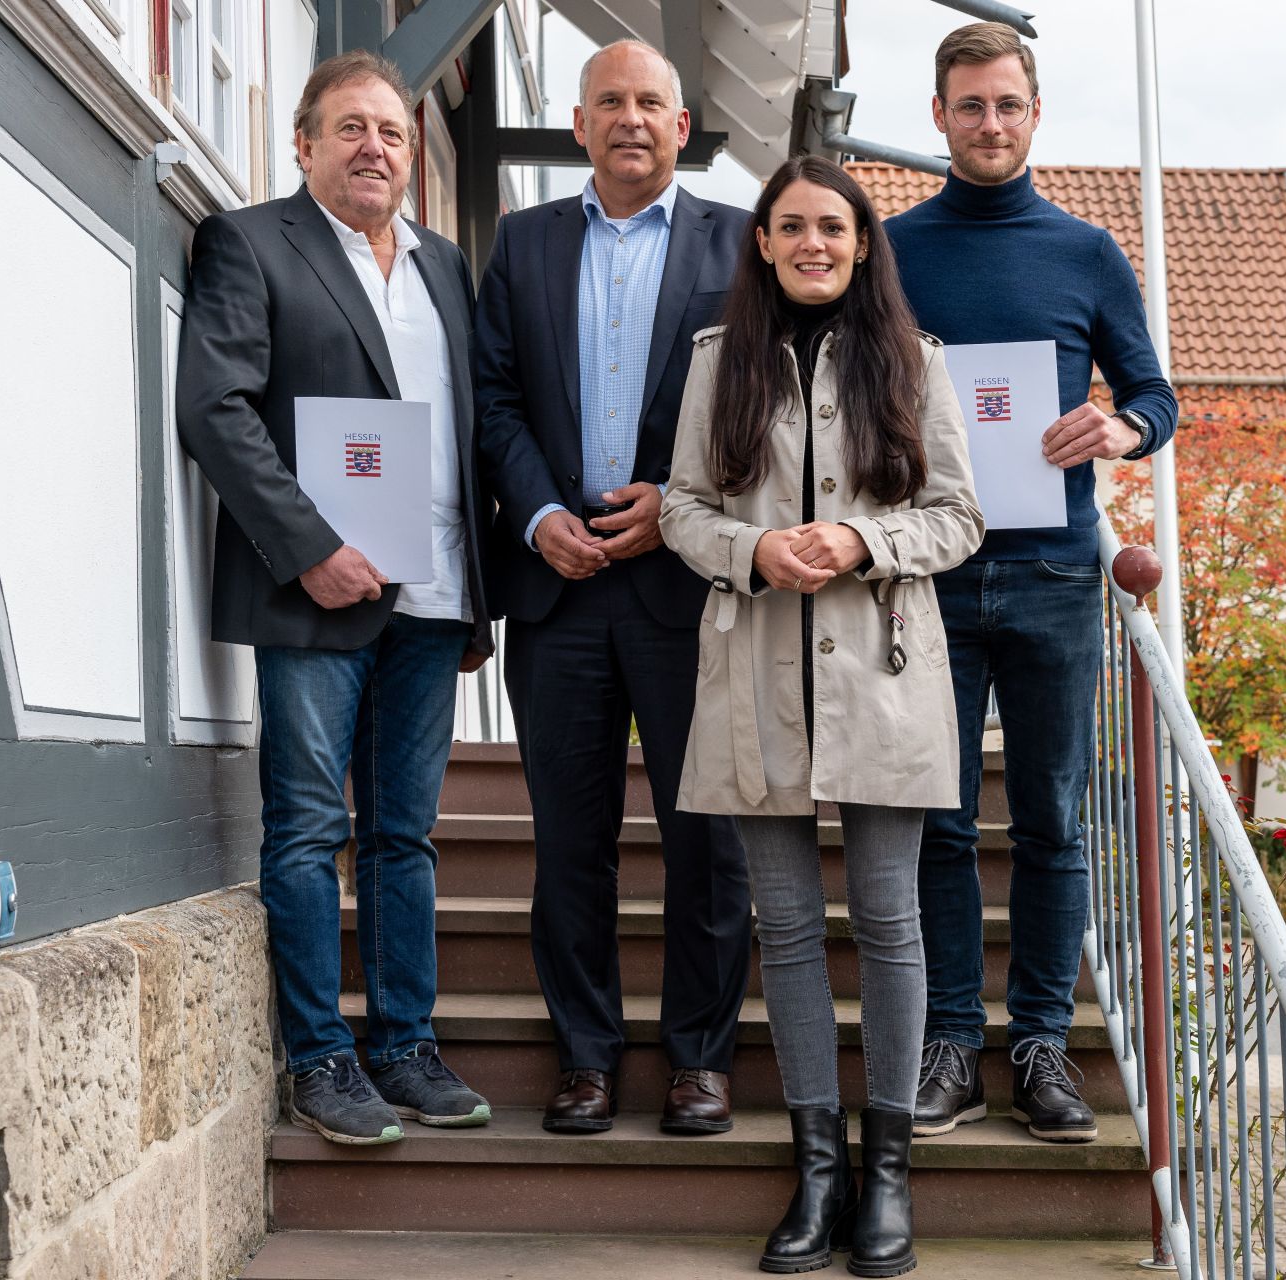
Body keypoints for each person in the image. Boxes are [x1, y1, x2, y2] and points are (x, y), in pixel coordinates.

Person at [662, 154, 984, 1278]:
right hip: (755, 664)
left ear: (860, 244)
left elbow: (959, 517)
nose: (813, 244)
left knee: (889, 922)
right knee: (788, 929)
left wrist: (861, 542)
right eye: (792, 226)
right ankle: (818, 1170)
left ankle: (889, 1173)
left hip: (886, 668)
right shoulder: (719, 361)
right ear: (762, 240)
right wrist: (752, 549)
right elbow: (681, 509)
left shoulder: (914, 359)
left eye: (833, 229)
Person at [176, 52, 492, 1145]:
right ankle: (322, 1056)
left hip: (435, 588)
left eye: (393, 132)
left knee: (404, 833)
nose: (375, 147)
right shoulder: (252, 242)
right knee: (310, 826)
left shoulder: (448, 265)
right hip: (316, 595)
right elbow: (215, 408)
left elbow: (465, 426)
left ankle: (406, 1043)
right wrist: (309, 546)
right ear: (304, 144)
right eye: (350, 128)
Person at [885, 22, 1180, 1144]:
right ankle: (953, 1041)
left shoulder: (1088, 252)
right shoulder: (894, 250)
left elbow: (1157, 395)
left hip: (1057, 573)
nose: (990, 123)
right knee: (942, 824)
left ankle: (1043, 1043)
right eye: (971, 105)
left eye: (1008, 104)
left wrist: (1117, 422)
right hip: (932, 579)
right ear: (941, 117)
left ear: (1034, 113)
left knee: (1052, 821)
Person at [473, 40, 754, 1136]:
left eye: (651, 103)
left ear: (683, 128)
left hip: (685, 584)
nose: (630, 118)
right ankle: (586, 1055)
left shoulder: (740, 244)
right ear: (579, 126)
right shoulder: (524, 243)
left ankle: (700, 1060)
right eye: (609, 103)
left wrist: (677, 502)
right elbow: (493, 396)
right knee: (570, 841)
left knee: (708, 842)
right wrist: (541, 513)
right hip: (558, 586)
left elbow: (763, 409)